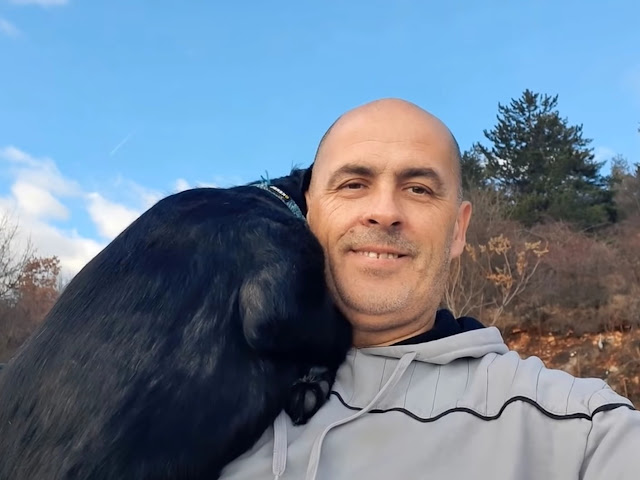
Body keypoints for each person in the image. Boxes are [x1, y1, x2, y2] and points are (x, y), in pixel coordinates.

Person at [219, 98, 640, 479]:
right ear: (308, 212)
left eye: (418, 189)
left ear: (458, 229)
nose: (384, 212)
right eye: (354, 184)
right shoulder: (205, 386)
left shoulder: (579, 433)